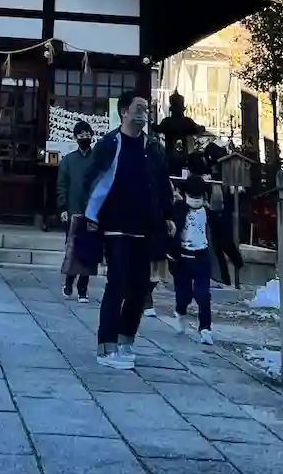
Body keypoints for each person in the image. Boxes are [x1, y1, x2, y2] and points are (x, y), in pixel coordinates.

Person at [83, 91, 174, 369]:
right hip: (116, 225)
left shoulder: (153, 147)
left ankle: (126, 339)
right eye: (138, 107)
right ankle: (106, 346)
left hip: (145, 227)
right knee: (118, 283)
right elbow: (92, 179)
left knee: (140, 287)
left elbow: (162, 184)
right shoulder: (109, 144)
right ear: (124, 112)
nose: (144, 112)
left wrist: (168, 216)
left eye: (146, 108)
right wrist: (90, 214)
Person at [166, 175, 215, 345]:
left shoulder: (207, 212)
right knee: (184, 295)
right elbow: (169, 230)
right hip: (183, 258)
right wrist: (170, 251)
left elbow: (222, 234)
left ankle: (205, 329)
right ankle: (180, 311)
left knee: (203, 295)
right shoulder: (179, 208)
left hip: (202, 256)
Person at [57, 120, 96, 302]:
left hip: (93, 212)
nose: (85, 137)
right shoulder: (68, 160)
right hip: (73, 210)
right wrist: (62, 207)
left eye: (87, 134)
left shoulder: (97, 159)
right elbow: (62, 185)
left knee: (89, 250)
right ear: (75, 137)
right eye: (81, 134)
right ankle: (68, 283)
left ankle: (83, 288)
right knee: (72, 249)